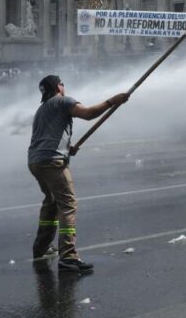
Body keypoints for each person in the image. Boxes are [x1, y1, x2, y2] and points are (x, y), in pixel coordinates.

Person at [28, 75, 129, 272]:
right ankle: (68, 256)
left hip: (36, 161)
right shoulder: (63, 101)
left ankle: (41, 247)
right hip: (52, 162)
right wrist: (112, 101)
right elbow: (89, 113)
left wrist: (67, 148)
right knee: (68, 205)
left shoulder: (42, 109)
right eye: (62, 84)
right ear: (59, 87)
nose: (64, 87)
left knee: (51, 202)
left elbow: (48, 136)